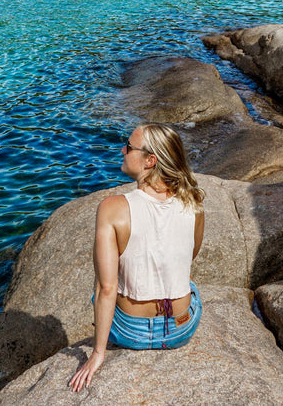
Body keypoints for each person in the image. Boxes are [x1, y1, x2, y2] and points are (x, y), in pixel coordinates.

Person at [68, 123, 205, 392]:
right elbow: (189, 257)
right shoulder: (194, 203)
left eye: (129, 147)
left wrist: (98, 353)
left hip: (132, 332)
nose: (122, 150)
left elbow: (106, 289)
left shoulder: (112, 208)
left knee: (100, 290)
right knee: (190, 285)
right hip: (181, 328)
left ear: (149, 160)